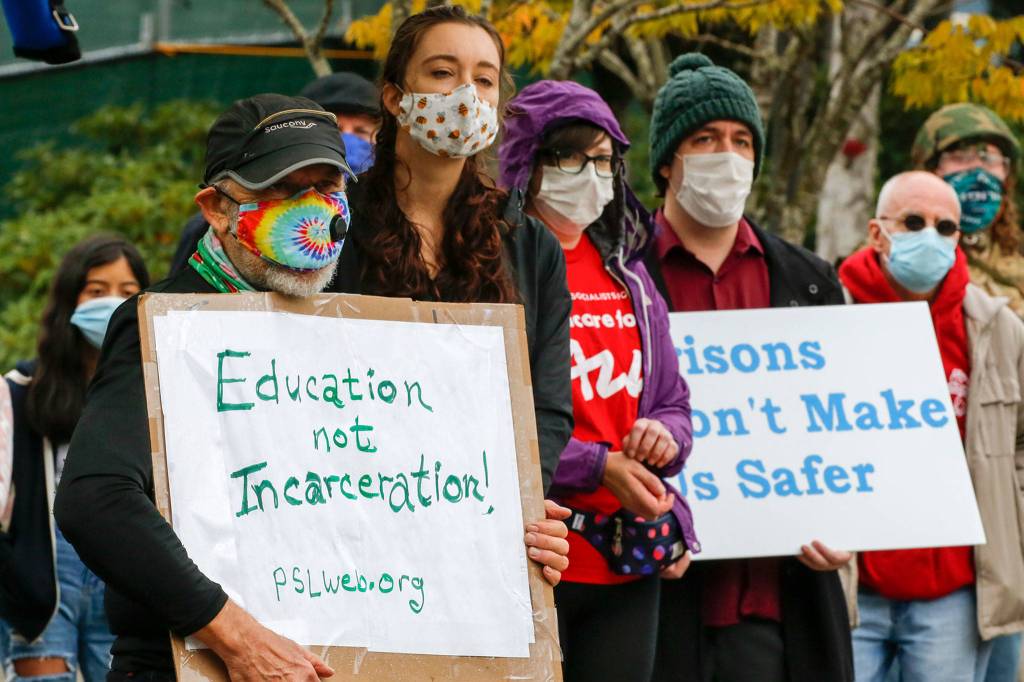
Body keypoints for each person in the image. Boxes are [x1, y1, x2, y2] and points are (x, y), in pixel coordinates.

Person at [54, 93, 571, 682]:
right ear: (216, 209)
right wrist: (234, 635)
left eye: (326, 187)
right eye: (280, 190)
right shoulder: (166, 329)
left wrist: (510, 532)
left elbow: (400, 493)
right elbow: (94, 499)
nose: (310, 211)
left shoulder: (361, 330)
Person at [644, 53, 855, 682]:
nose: (727, 156)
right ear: (666, 161)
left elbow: (845, 428)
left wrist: (850, 525)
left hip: (780, 606)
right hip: (654, 603)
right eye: (704, 139)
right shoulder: (617, 278)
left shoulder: (810, 281)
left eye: (741, 141)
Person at [329, 6, 574, 501]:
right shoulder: (332, 227)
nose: (466, 94)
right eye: (442, 72)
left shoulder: (530, 244)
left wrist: (516, 500)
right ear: (396, 97)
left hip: (479, 516)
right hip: (346, 504)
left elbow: (547, 407)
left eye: (484, 80)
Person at [497, 78, 696, 681]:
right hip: (528, 557)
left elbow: (675, 404)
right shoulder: (497, 269)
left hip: (624, 563)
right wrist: (597, 464)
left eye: (605, 159)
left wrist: (666, 436)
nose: (591, 174)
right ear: (527, 161)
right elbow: (492, 415)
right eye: (570, 156)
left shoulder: (630, 278)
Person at [838, 170, 1024, 682]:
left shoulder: (997, 328)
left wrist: (1011, 515)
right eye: (914, 222)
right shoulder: (827, 310)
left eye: (946, 228)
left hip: (953, 595)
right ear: (877, 233)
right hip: (855, 587)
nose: (930, 237)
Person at [1, 234, 149, 681]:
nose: (113, 304)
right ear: (70, 300)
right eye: (97, 291)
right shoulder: (18, 392)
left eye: (128, 293)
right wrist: (18, 582)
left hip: (120, 580)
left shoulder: (149, 395)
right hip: (43, 587)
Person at [169, 71, 382, 275]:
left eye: (325, 184)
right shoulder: (209, 230)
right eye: (278, 186)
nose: (309, 207)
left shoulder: (376, 231)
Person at [912, 103, 1024, 318]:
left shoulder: (1016, 256)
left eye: (990, 159)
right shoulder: (897, 258)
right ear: (930, 169)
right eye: (960, 157)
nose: (978, 170)